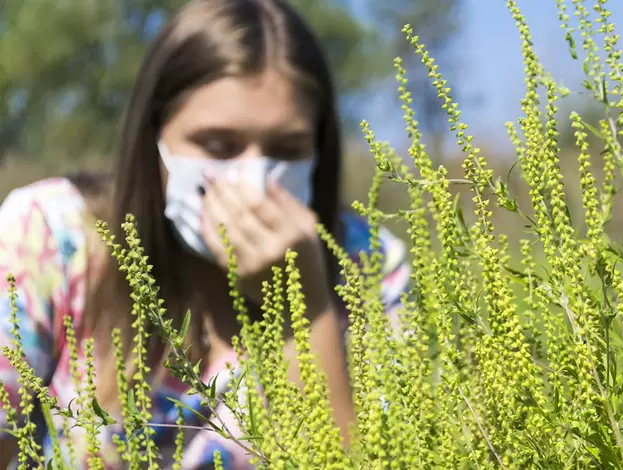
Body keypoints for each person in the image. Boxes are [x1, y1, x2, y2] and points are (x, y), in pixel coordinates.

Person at [0, 0, 410, 468]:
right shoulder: (50, 237)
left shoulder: (367, 266)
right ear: (154, 135)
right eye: (218, 145)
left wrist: (306, 307)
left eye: (286, 149)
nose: (253, 179)